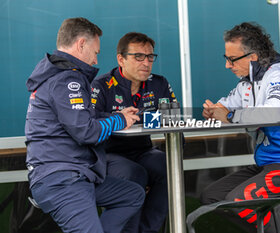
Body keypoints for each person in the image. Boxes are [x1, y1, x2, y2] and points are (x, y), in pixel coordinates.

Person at [25, 17, 145, 233]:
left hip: (72, 175)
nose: (95, 60)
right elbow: (86, 131)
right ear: (81, 44)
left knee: (132, 195)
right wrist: (119, 120)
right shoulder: (66, 80)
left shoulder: (55, 75)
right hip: (63, 180)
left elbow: (82, 118)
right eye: (95, 52)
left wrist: (117, 115)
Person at [200, 22, 280, 233]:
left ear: (252, 57)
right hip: (266, 165)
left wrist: (228, 115)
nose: (227, 65)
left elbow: (272, 115)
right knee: (212, 196)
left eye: (231, 59)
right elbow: (226, 106)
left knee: (239, 199)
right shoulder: (247, 83)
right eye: (226, 58)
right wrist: (213, 111)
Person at [91, 32, 176, 233]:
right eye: (138, 56)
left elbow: (172, 117)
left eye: (150, 57)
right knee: (134, 173)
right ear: (121, 59)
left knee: (168, 166)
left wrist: (140, 119)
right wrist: (118, 118)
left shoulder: (159, 83)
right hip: (109, 155)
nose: (146, 63)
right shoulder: (102, 85)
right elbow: (90, 120)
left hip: (143, 151)